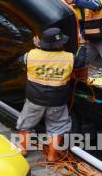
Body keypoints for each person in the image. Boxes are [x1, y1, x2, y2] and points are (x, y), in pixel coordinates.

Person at [16, 28, 85, 161]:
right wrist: (82, 45)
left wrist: (39, 49)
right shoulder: (69, 58)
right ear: (59, 44)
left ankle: (23, 149)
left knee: (26, 124)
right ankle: (52, 156)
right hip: (57, 101)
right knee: (57, 127)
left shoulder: (31, 55)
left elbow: (21, 61)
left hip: (34, 100)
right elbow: (81, 61)